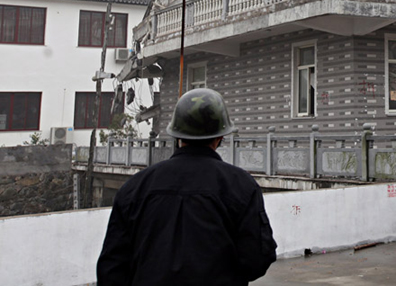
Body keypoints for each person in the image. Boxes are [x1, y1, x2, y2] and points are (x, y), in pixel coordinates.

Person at [97, 88, 277, 285]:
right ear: (221, 137)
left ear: (177, 136)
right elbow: (257, 258)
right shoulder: (241, 186)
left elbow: (111, 268)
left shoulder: (135, 187)